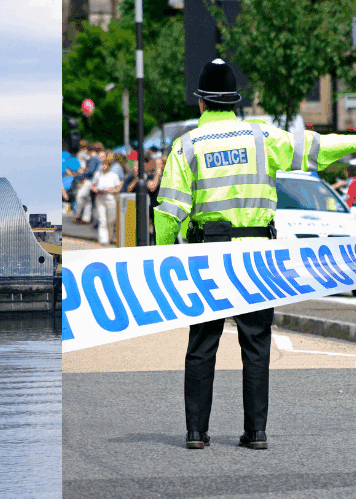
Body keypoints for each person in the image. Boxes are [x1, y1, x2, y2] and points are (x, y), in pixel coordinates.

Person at [153, 58, 356, 451]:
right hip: (257, 255)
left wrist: (161, 257)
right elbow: (320, 149)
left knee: (202, 345)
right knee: (257, 344)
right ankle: (256, 432)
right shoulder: (263, 137)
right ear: (234, 102)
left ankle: (196, 432)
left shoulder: (187, 145)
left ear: (201, 102)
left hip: (207, 255)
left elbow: (169, 211)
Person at [92, 155, 122, 245]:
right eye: (103, 165)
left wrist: (110, 190)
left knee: (111, 220)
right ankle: (103, 240)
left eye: (106, 165)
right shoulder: (98, 174)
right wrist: (96, 189)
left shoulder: (114, 176)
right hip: (100, 198)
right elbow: (93, 185)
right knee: (102, 219)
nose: (104, 167)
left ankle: (109, 237)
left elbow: (118, 187)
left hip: (110, 198)